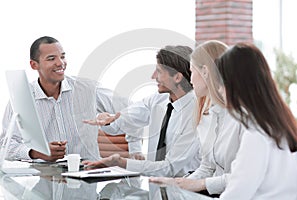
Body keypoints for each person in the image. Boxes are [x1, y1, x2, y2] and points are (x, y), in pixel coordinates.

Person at [1, 36, 142, 162]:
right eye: (51, 58)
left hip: (87, 178)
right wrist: (36, 153)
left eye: (62, 57)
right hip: (43, 179)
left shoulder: (87, 89)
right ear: (34, 65)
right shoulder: (21, 99)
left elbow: (135, 111)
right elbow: (5, 146)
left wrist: (135, 150)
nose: (60, 63)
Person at [83, 45, 201, 177]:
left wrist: (119, 162)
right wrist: (106, 120)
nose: (153, 76)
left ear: (177, 78)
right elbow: (122, 123)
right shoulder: (157, 100)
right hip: (154, 189)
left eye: (159, 71)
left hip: (184, 191)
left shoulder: (196, 113)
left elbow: (169, 168)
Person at [150, 40, 244, 197]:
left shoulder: (241, 118)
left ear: (205, 72)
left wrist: (198, 184)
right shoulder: (208, 115)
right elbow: (207, 167)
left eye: (192, 71)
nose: (190, 79)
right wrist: (179, 185)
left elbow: (243, 176)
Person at [215, 43, 297, 199]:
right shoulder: (284, 125)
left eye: (221, 82)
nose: (219, 89)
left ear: (236, 84)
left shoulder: (256, 134)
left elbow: (236, 195)